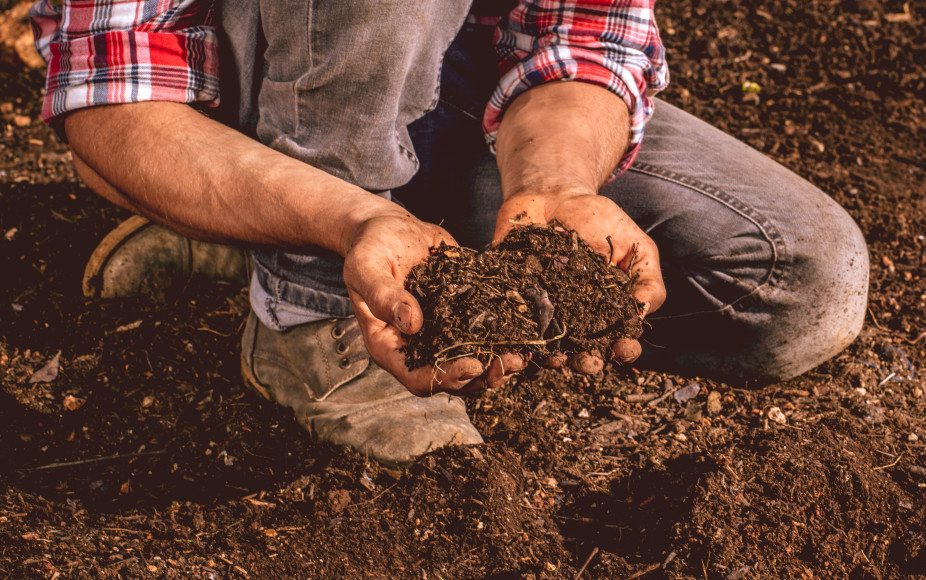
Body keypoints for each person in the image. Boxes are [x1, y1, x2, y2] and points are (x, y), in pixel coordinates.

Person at [29, 0, 868, 466]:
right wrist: (352, 215)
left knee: (791, 283)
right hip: (224, 89)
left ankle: (273, 230)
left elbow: (582, 34)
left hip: (447, 77)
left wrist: (554, 184)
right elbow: (109, 94)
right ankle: (304, 301)